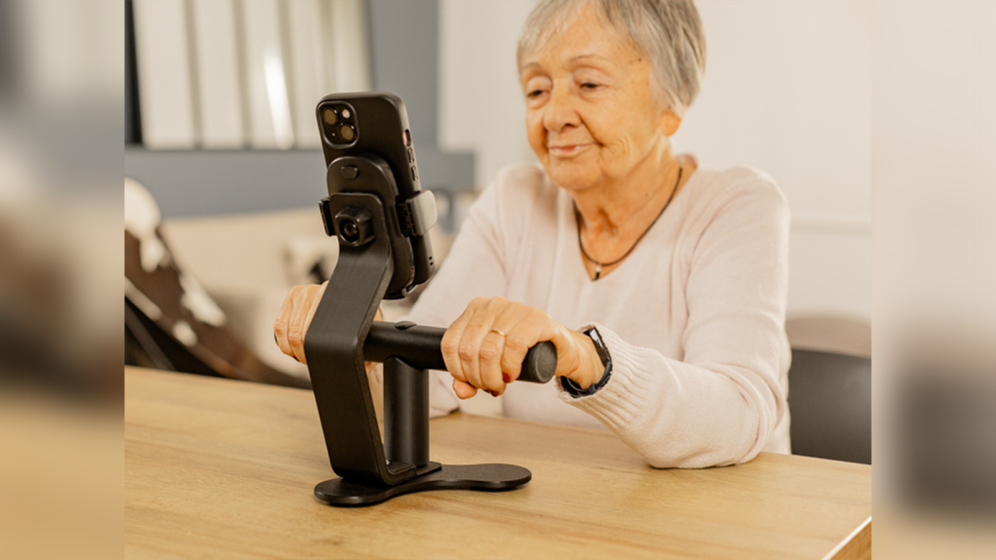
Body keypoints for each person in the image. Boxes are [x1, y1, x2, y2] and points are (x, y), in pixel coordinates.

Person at [274, 0, 790, 469]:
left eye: (589, 84)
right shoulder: (515, 198)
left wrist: (583, 356)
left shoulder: (736, 203)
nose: (554, 116)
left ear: (671, 103)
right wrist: (354, 343)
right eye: (537, 89)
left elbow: (740, 413)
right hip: (565, 507)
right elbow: (427, 383)